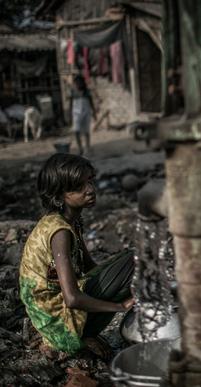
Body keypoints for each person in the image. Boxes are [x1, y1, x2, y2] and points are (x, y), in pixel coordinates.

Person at [19, 153, 134, 359]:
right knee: (136, 260)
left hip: (59, 312)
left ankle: (85, 332)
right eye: (78, 187)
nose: (90, 190)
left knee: (132, 265)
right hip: (57, 321)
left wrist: (126, 284)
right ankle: (81, 336)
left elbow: (91, 268)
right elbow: (71, 298)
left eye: (89, 180)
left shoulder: (73, 221)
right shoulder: (59, 232)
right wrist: (120, 306)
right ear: (58, 194)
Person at [69, 75, 96, 156]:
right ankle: (80, 148)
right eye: (77, 83)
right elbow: (70, 104)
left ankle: (87, 148)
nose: (79, 85)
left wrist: (94, 112)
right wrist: (70, 114)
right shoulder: (72, 92)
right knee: (77, 131)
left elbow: (91, 102)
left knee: (86, 131)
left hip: (86, 112)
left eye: (80, 83)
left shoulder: (88, 91)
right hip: (76, 113)